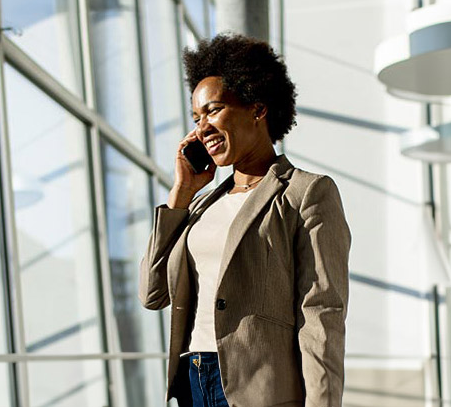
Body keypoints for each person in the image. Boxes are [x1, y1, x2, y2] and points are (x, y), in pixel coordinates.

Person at [139, 33, 351, 407]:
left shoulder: (306, 193)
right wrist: (182, 192)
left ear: (257, 108)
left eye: (214, 110)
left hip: (258, 389)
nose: (201, 127)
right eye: (196, 117)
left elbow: (321, 314)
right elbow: (152, 292)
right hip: (192, 382)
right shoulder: (202, 205)